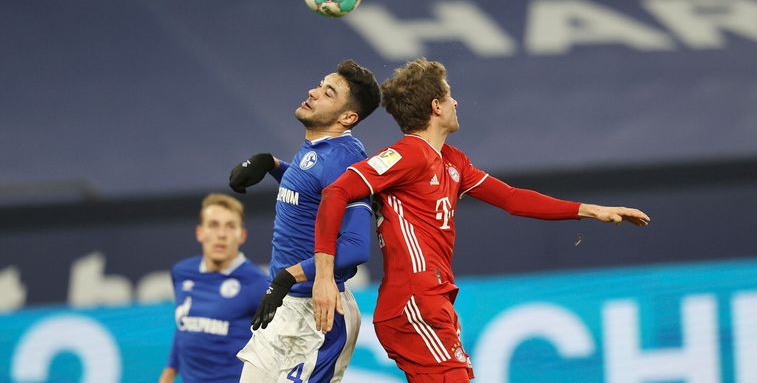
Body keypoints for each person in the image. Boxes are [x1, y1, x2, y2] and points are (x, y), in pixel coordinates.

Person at [312, 58, 651, 382]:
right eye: (448, 94)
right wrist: (324, 277)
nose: (456, 101)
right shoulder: (406, 155)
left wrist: (592, 210)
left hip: (433, 300)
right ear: (436, 107)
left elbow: (513, 199)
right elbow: (336, 193)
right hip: (414, 299)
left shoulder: (452, 161)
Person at [229, 59, 381, 382]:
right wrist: (272, 165)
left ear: (348, 117)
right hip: (282, 306)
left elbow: (355, 247)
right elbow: (313, 190)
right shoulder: (319, 146)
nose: (313, 92)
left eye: (328, 93)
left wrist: (289, 276)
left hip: (320, 314)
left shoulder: (347, 158)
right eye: (319, 84)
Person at [159, 193, 270, 383]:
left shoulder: (258, 283)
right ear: (199, 232)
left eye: (230, 226)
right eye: (213, 225)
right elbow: (184, 328)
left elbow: (280, 343)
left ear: (241, 235)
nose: (221, 234)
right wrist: (169, 373)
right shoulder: (182, 273)